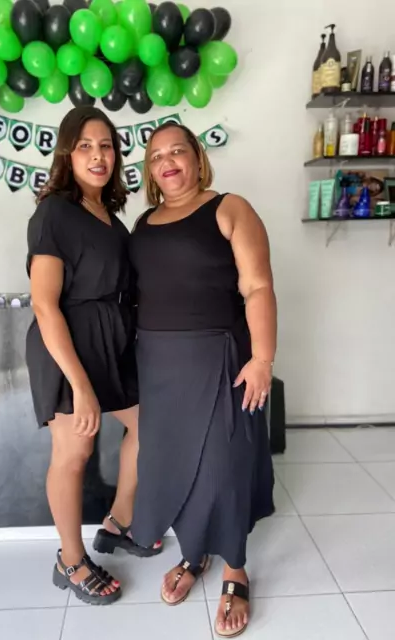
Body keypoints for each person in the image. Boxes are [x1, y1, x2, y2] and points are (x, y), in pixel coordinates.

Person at [130, 122, 276, 637]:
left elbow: (258, 287)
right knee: (175, 465)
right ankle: (194, 554)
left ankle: (235, 567)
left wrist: (263, 358)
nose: (167, 162)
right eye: (156, 156)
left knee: (222, 466)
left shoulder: (230, 208)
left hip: (218, 358)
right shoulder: (143, 223)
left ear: (197, 158)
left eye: (177, 151)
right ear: (149, 170)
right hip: (158, 365)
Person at [25, 107, 161, 607]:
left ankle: (119, 522)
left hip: (112, 343)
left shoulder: (108, 216)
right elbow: (44, 304)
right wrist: (80, 386)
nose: (98, 155)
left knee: (150, 425)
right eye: (85, 146)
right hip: (68, 346)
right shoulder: (54, 213)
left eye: (106, 146)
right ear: (67, 153)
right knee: (74, 452)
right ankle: (71, 560)